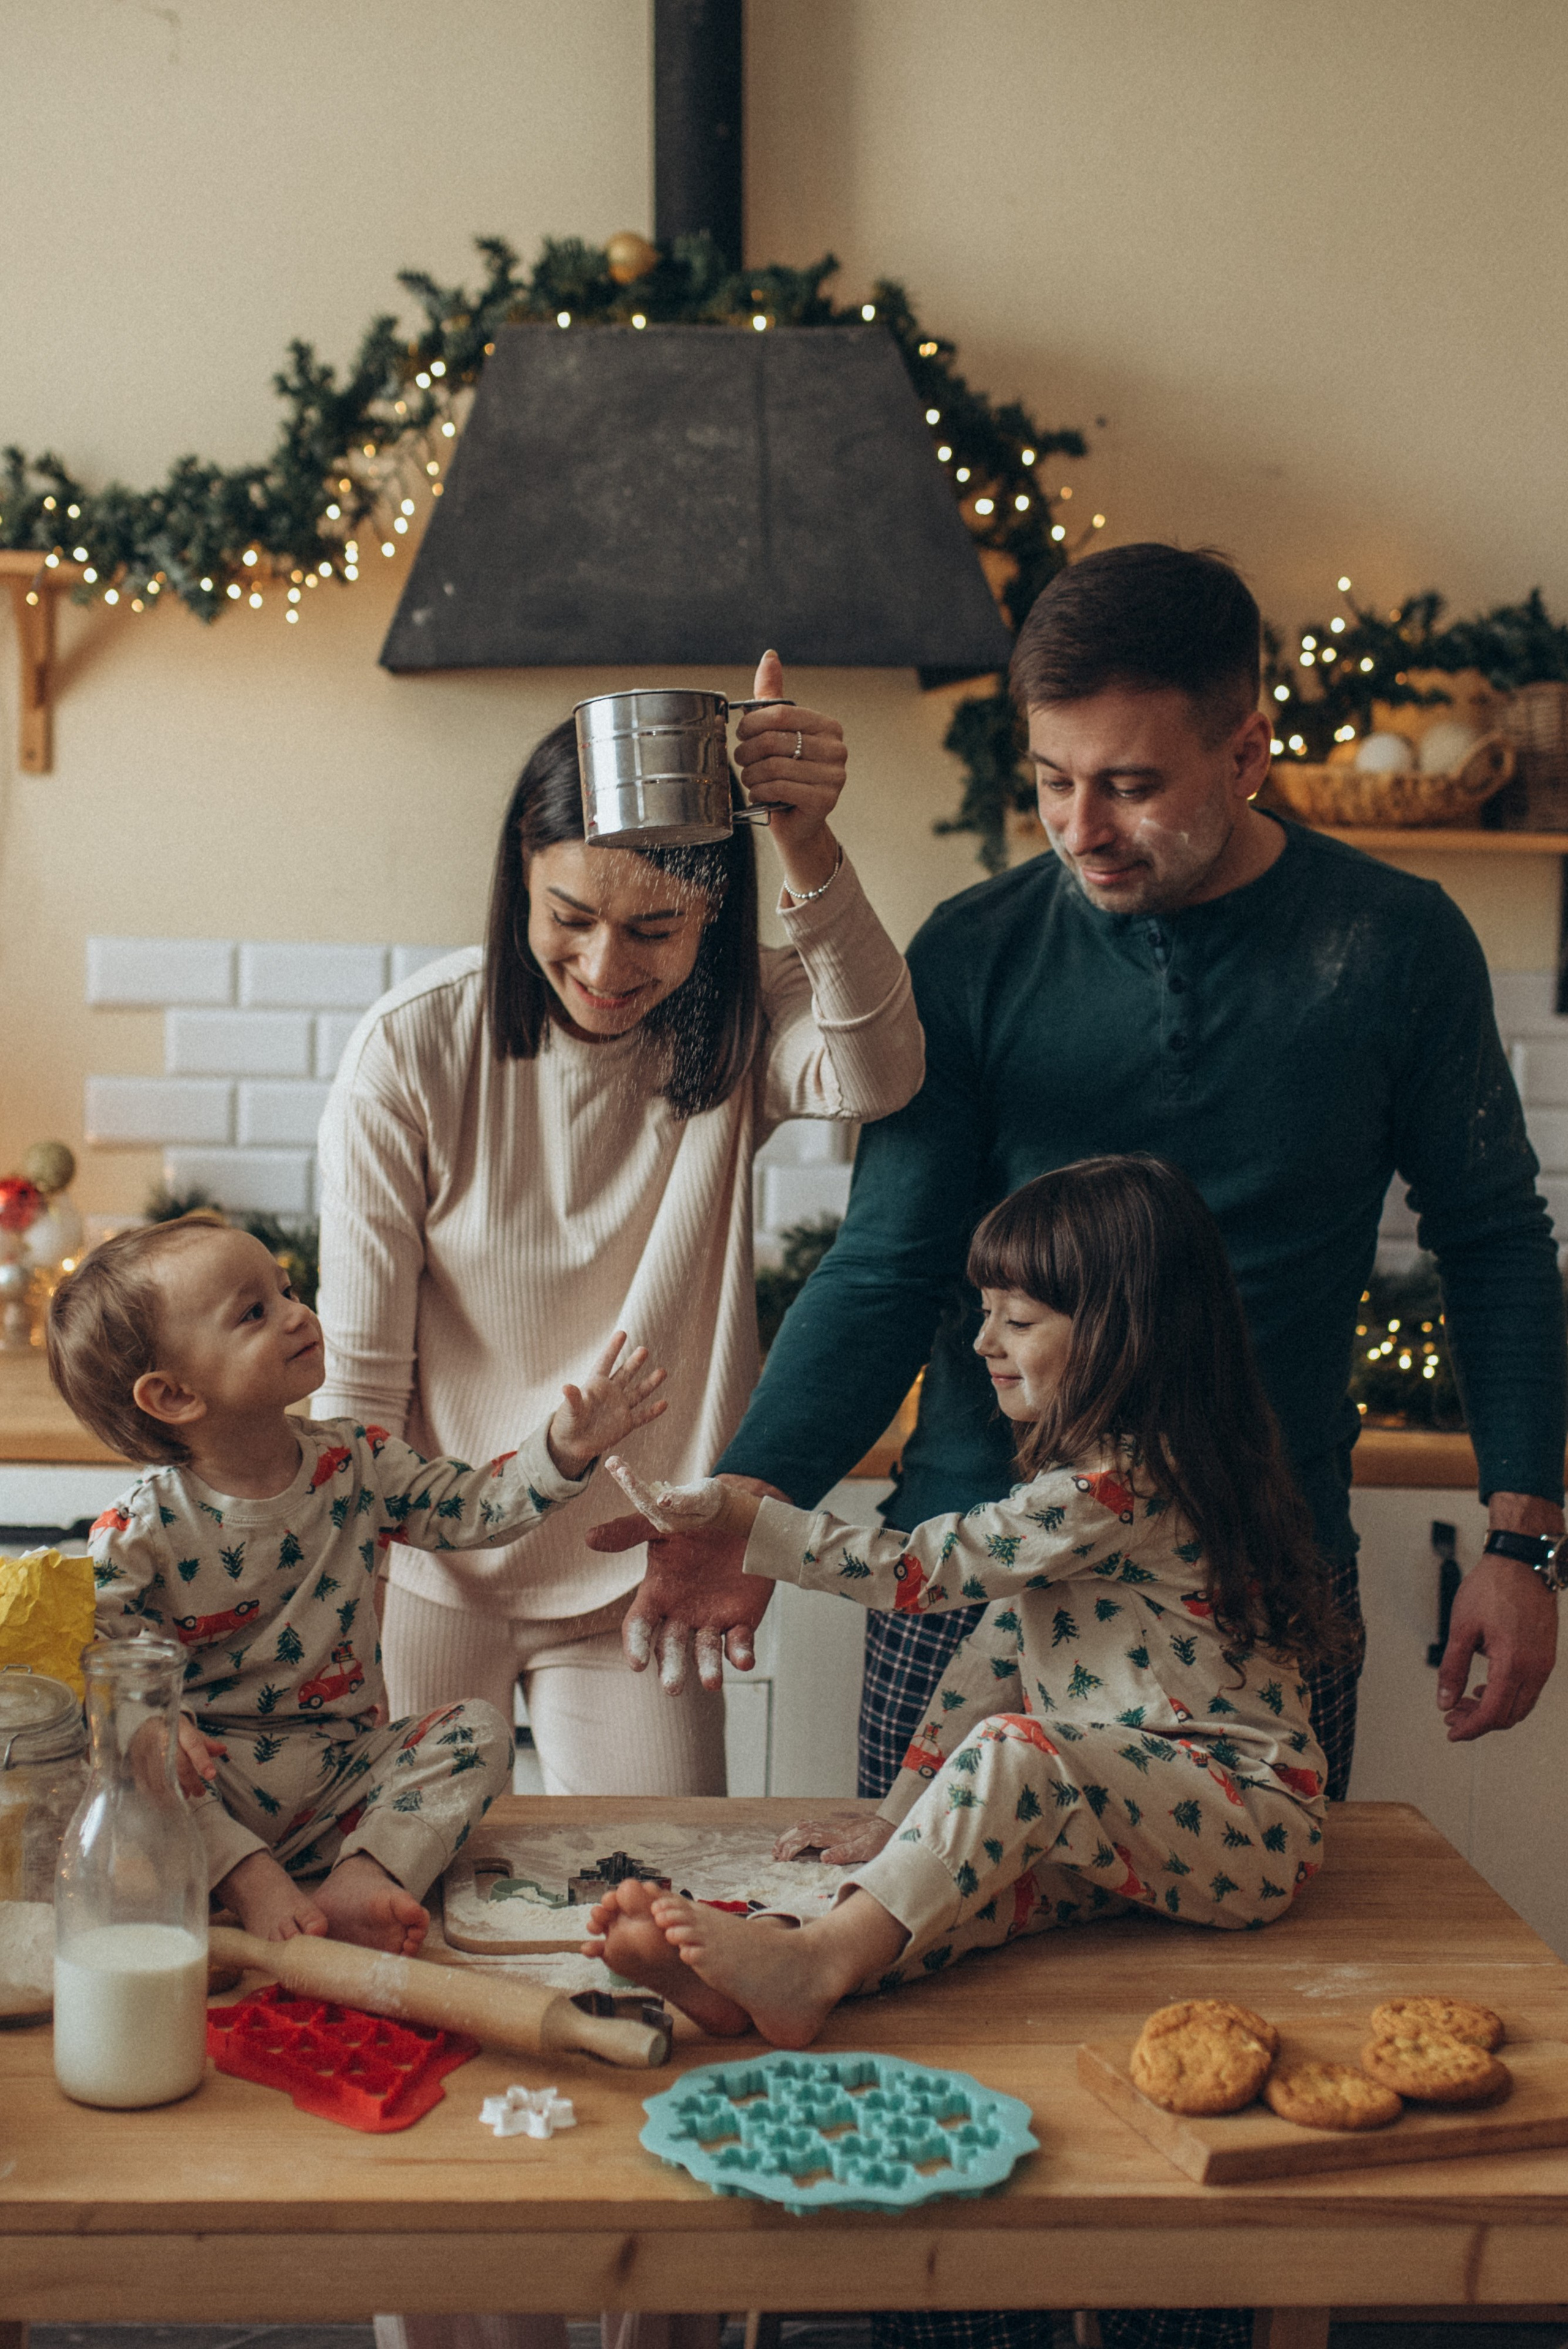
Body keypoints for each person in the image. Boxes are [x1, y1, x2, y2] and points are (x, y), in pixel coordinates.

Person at [596, 549, 1567, 2349]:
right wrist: (756, 1496)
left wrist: (1524, 1540)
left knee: (1189, 2089)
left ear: (1248, 749)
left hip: (1257, 1597)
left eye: (1126, 782)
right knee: (937, 2035)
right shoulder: (975, 955)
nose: (1079, 825)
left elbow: (1497, 1239)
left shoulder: (1390, 942)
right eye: (1049, 781)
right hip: (965, 1572)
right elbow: (891, 1262)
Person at [314, 652, 923, 1800]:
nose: (604, 966)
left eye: (656, 928)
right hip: (427, 1577)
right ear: (519, 886)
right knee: (406, 1903)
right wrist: (333, 1603)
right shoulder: (413, 1047)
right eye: (571, 917)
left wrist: (804, 839)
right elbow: (357, 1386)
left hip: (641, 1568)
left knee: (655, 1897)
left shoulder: (745, 1017)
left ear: (715, 913)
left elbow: (879, 1073)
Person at [586, 1156, 1341, 2047]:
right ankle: (786, 1965)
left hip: (1245, 1818)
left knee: (1016, 1751)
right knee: (952, 1887)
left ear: (1121, 1332)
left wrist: (753, 1521)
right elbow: (990, 1659)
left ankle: (810, 1963)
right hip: (1142, 1812)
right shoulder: (1090, 1495)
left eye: (1017, 1319)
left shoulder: (1122, 1486)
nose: (983, 1342)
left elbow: (919, 1572)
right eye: (986, 1313)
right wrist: (896, 1819)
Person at [48, 1216, 668, 1955]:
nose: (297, 1313)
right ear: (176, 1395)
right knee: (136, 1757)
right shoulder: (136, 1530)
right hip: (213, 1790)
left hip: (346, 1779)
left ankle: (364, 1874)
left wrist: (562, 1450)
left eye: (285, 1289)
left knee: (478, 1732)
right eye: (255, 1312)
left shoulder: (358, 1461)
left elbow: (470, 1510)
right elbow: (102, 1664)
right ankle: (246, 1880)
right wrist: (153, 1725)